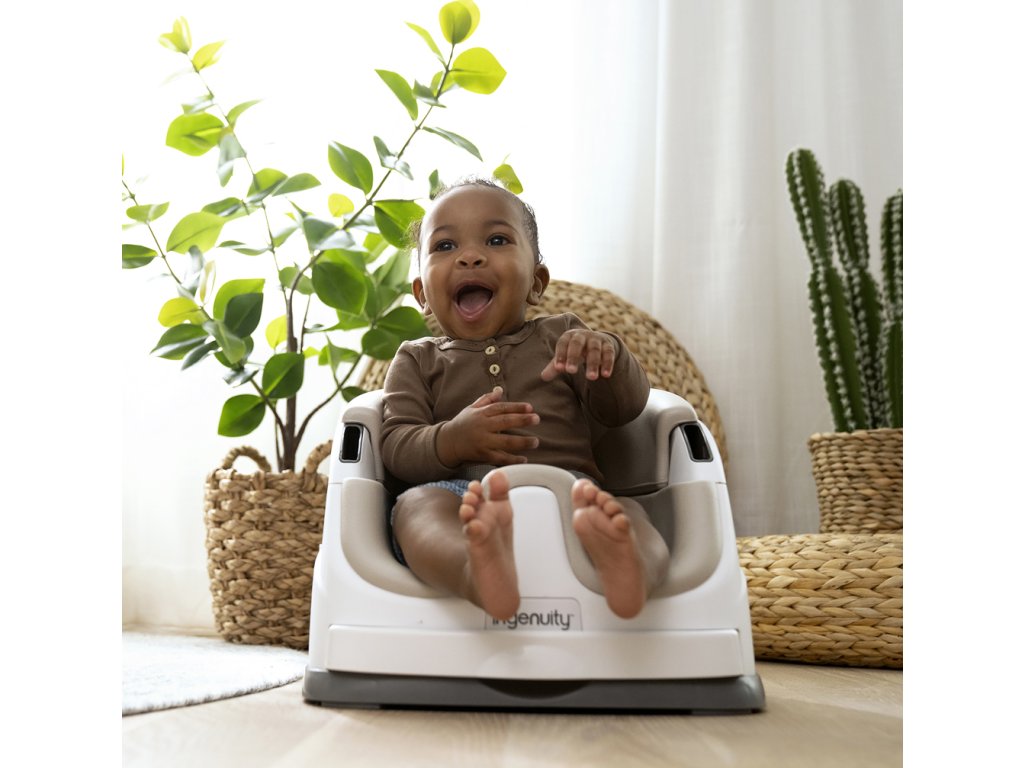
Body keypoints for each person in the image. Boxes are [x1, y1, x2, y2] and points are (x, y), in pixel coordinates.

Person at [381, 178, 669, 621]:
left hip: (573, 496)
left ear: (536, 282)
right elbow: (396, 447)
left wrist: (606, 356)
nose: (470, 256)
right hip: (463, 503)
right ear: (422, 295)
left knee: (627, 513)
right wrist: (452, 440)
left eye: (496, 240)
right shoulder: (417, 360)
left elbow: (625, 410)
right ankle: (473, 569)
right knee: (415, 508)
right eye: (445, 245)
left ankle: (631, 570)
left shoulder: (564, 336)